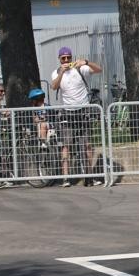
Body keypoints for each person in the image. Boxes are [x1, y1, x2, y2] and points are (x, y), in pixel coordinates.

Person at [51, 46, 103, 187]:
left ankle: (89, 176)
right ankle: (66, 177)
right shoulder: (56, 72)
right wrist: (61, 72)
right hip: (67, 112)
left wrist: (86, 62)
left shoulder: (80, 69)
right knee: (66, 146)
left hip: (83, 111)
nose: (66, 60)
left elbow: (99, 69)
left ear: (72, 58)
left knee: (87, 145)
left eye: (69, 57)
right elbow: (54, 86)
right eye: (63, 58)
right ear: (60, 59)